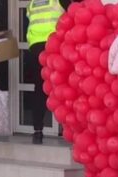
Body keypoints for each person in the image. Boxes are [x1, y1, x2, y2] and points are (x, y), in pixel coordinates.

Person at [26, 0, 74, 144]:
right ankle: (68, 128)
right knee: (63, 86)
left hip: (35, 46)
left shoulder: (33, 2)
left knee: (39, 88)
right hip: (54, 44)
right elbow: (72, 12)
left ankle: (37, 131)